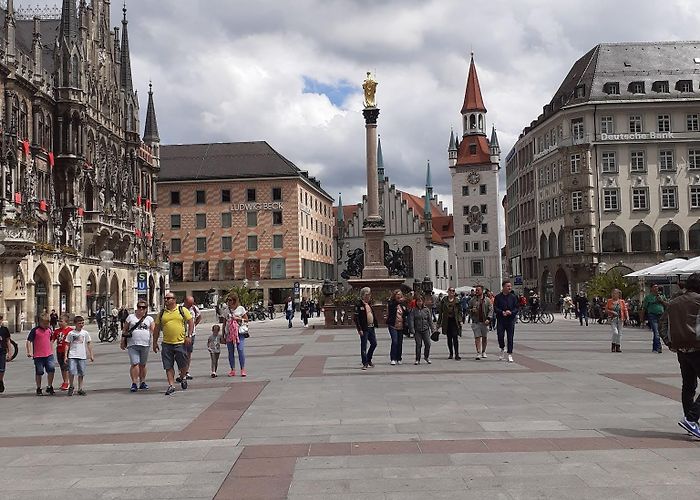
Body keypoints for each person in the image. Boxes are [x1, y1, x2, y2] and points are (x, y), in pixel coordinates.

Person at [660, 272, 700, 439]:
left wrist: (669, 342)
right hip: (698, 348)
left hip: (681, 350)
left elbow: (663, 323)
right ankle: (691, 419)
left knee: (688, 386)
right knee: (689, 386)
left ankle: (690, 422)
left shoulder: (674, 302)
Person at [153, 292, 194, 395]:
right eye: (165, 298)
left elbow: (190, 322)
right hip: (166, 343)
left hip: (180, 342)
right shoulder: (162, 313)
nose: (166, 300)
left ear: (174, 300)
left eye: (168, 298)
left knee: (183, 364)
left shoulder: (182, 310)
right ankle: (171, 385)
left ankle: (183, 376)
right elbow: (157, 328)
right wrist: (154, 342)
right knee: (168, 365)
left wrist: (189, 335)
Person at [121, 299, 154, 392]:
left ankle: (142, 382)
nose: (141, 309)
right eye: (139, 307)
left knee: (142, 364)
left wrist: (154, 341)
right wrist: (122, 341)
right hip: (132, 344)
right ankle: (134, 382)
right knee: (135, 363)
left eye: (143, 307)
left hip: (145, 344)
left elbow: (153, 330)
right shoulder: (131, 317)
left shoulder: (149, 319)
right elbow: (125, 329)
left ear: (146, 309)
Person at [26, 313, 55, 396]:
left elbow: (50, 340)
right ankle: (38, 387)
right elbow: (29, 341)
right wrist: (29, 351)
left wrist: (51, 349)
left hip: (49, 354)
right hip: (38, 355)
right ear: (40, 322)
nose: (46, 325)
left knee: (51, 369)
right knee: (39, 371)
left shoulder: (49, 330)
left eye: (48, 323)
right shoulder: (35, 330)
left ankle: (50, 386)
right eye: (45, 323)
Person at [64, 316, 93, 396]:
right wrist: (65, 356)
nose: (81, 325)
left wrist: (91, 354)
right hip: (72, 355)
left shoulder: (85, 333)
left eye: (82, 323)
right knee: (71, 371)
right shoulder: (71, 333)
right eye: (79, 323)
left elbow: (89, 343)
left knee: (81, 372)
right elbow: (67, 344)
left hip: (82, 355)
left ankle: (80, 388)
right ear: (75, 324)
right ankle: (71, 386)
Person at [221, 293, 248, 377]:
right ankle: (232, 369)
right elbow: (224, 323)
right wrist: (223, 335)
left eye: (230, 300)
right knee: (230, 351)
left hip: (239, 333)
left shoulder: (241, 309)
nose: (228, 302)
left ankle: (242, 369)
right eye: (227, 300)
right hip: (229, 333)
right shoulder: (226, 311)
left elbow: (246, 319)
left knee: (240, 350)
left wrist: (238, 318)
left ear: (234, 300)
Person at [494, 280, 519, 363]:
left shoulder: (513, 297)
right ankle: (502, 348)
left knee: (510, 337)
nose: (509, 288)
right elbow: (495, 308)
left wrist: (511, 312)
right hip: (501, 320)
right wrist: (502, 312)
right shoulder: (498, 297)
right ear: (503, 287)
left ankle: (510, 354)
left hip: (510, 320)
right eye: (508, 286)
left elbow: (516, 307)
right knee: (500, 336)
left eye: (510, 286)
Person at [354, 287, 378, 370]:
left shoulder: (369, 304)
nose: (369, 296)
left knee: (374, 344)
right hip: (364, 328)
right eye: (367, 295)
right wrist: (359, 329)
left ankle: (368, 359)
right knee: (364, 346)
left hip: (371, 327)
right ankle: (365, 363)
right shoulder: (359, 304)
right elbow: (356, 318)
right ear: (363, 295)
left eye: (369, 294)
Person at [642, 283, 668, 353]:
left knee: (659, 332)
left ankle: (654, 348)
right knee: (656, 332)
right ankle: (659, 347)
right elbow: (644, 308)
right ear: (651, 289)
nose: (656, 288)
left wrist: (661, 301)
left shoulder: (662, 296)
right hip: (652, 315)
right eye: (654, 287)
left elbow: (667, 305)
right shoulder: (648, 297)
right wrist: (642, 318)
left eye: (657, 287)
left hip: (661, 315)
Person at [469, 285, 493, 360]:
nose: (476, 291)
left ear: (482, 291)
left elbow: (491, 310)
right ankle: (478, 352)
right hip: (476, 321)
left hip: (484, 322)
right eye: (476, 290)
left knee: (484, 337)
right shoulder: (472, 300)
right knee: (477, 337)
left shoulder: (487, 300)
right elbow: (468, 309)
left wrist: (488, 319)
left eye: (478, 290)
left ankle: (483, 351)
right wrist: (471, 310)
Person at [438, 287, 463, 360]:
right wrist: (439, 322)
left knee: (455, 337)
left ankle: (457, 354)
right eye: (450, 291)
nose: (452, 292)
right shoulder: (444, 300)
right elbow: (441, 312)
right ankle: (451, 353)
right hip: (447, 321)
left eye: (453, 291)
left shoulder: (457, 300)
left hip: (455, 321)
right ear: (448, 292)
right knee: (449, 338)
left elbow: (459, 311)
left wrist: (460, 320)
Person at [182, 296, 202, 381]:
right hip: (181, 334)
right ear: (185, 302)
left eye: (192, 304)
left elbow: (199, 317)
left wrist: (193, 326)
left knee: (188, 353)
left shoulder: (194, 309)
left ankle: (186, 371)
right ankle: (181, 371)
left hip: (191, 334)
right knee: (181, 353)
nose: (191, 305)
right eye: (189, 304)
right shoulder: (180, 308)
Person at [409, 294, 433, 364]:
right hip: (417, 330)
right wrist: (412, 329)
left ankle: (426, 357)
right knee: (418, 345)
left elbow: (430, 320)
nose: (419, 302)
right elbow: (411, 320)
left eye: (420, 301)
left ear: (423, 302)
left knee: (428, 344)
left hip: (425, 329)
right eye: (418, 301)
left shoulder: (426, 310)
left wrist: (433, 329)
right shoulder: (413, 310)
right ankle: (417, 359)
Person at [51, 314, 73, 391]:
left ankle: (66, 382)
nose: (59, 323)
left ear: (66, 322)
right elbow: (52, 340)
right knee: (62, 367)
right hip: (59, 351)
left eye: (61, 321)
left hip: (67, 351)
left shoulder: (70, 331)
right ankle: (65, 381)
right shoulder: (56, 331)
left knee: (66, 367)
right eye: (59, 321)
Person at [386, 289, 407, 365]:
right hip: (393, 325)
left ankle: (399, 358)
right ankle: (393, 358)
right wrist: (399, 301)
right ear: (394, 296)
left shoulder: (402, 304)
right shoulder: (391, 303)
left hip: (401, 325)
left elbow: (406, 313)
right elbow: (392, 307)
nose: (399, 296)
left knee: (400, 342)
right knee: (395, 341)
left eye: (400, 294)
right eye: (397, 294)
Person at [606, 289, 629, 353]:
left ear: (618, 294)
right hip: (612, 319)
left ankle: (618, 346)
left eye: (615, 293)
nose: (614, 295)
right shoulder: (609, 301)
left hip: (620, 318)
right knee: (615, 332)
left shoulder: (622, 301)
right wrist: (612, 311)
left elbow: (625, 310)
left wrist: (627, 317)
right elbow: (606, 309)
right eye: (613, 293)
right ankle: (613, 345)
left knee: (620, 333)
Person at [0, 316, 11, 393]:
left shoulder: (4, 330)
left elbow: (8, 341)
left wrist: (10, 353)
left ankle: (0, 381)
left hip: (2, 351)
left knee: (2, 368)